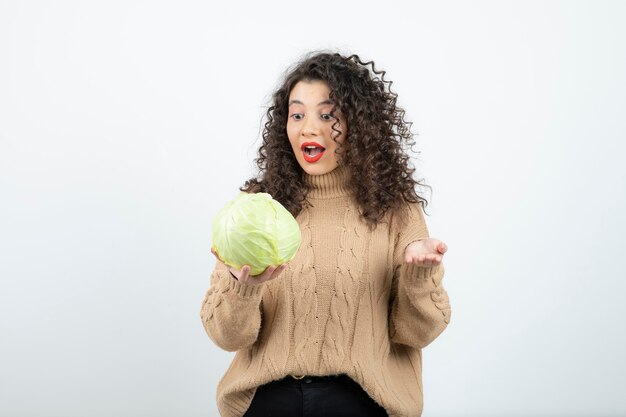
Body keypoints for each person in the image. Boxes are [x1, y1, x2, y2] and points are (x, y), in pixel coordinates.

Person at [200, 51, 451, 417]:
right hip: (269, 402)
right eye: (297, 114)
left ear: (360, 125)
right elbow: (226, 337)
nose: (309, 128)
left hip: (362, 402)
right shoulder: (258, 207)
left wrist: (419, 275)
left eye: (328, 114)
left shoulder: (396, 209)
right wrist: (244, 288)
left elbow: (418, 334)